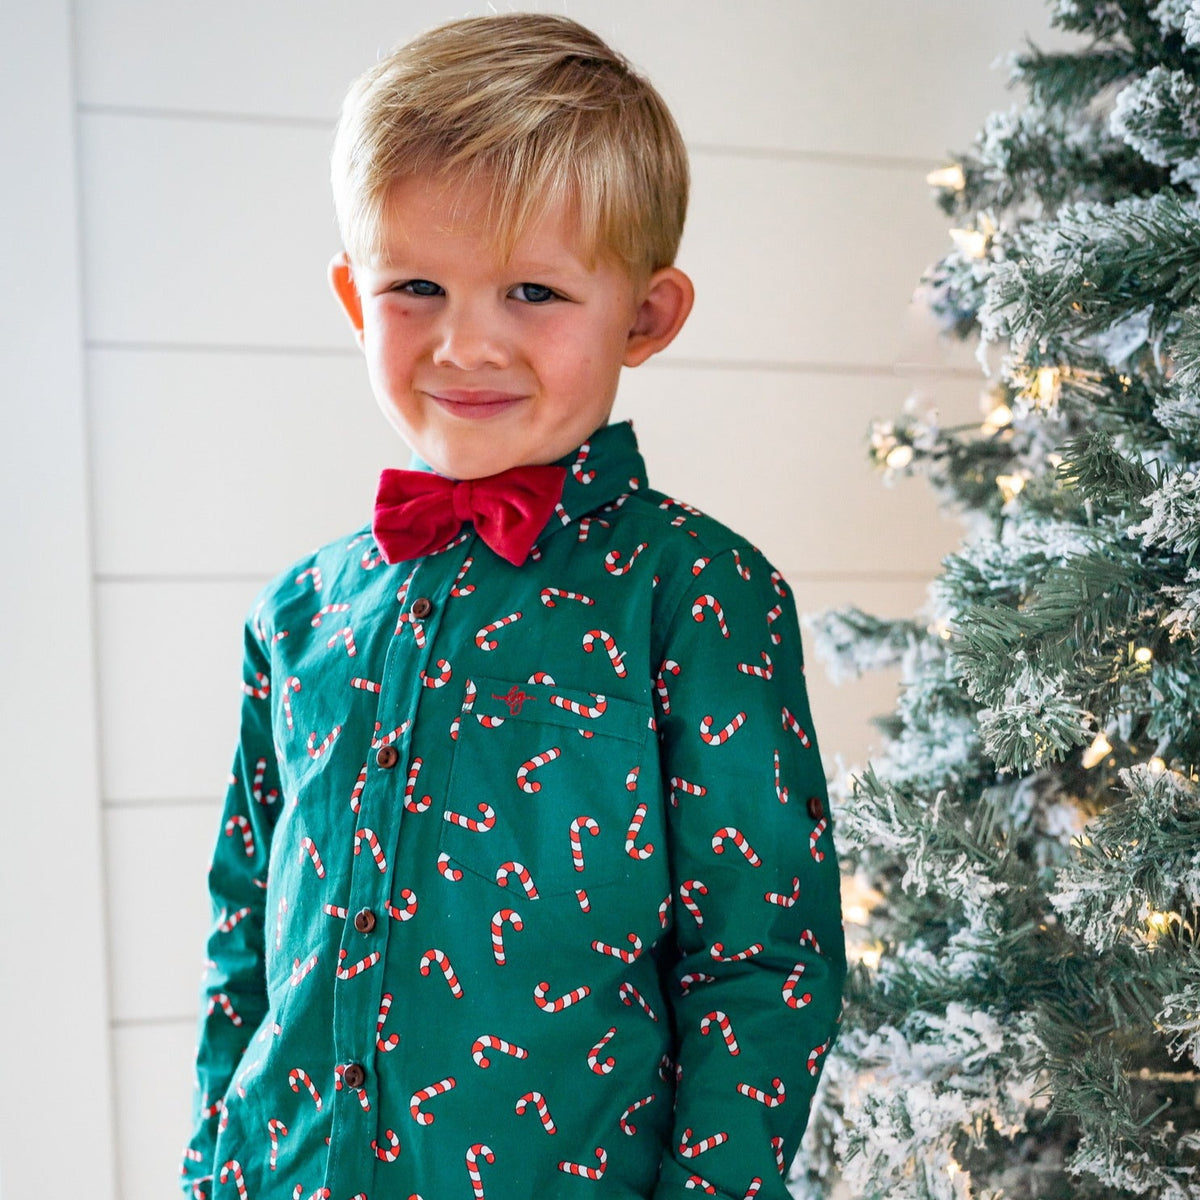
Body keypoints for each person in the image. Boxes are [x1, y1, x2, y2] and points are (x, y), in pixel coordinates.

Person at [181, 13, 845, 1200]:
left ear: (646, 316)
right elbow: (245, 938)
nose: (466, 341)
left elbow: (760, 963)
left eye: (532, 290)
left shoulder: (699, 595)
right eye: (416, 286)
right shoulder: (299, 613)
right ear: (353, 296)